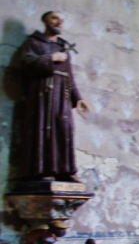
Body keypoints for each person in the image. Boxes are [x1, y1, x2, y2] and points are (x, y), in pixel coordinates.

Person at [18, 11, 88, 182]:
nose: (59, 23)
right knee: (43, 127)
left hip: (62, 96)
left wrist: (77, 98)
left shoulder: (64, 47)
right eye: (55, 18)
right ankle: (41, 171)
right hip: (42, 94)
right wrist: (51, 58)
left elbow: (69, 76)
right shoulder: (33, 42)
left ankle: (65, 172)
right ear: (45, 21)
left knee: (64, 129)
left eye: (62, 20)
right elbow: (25, 63)